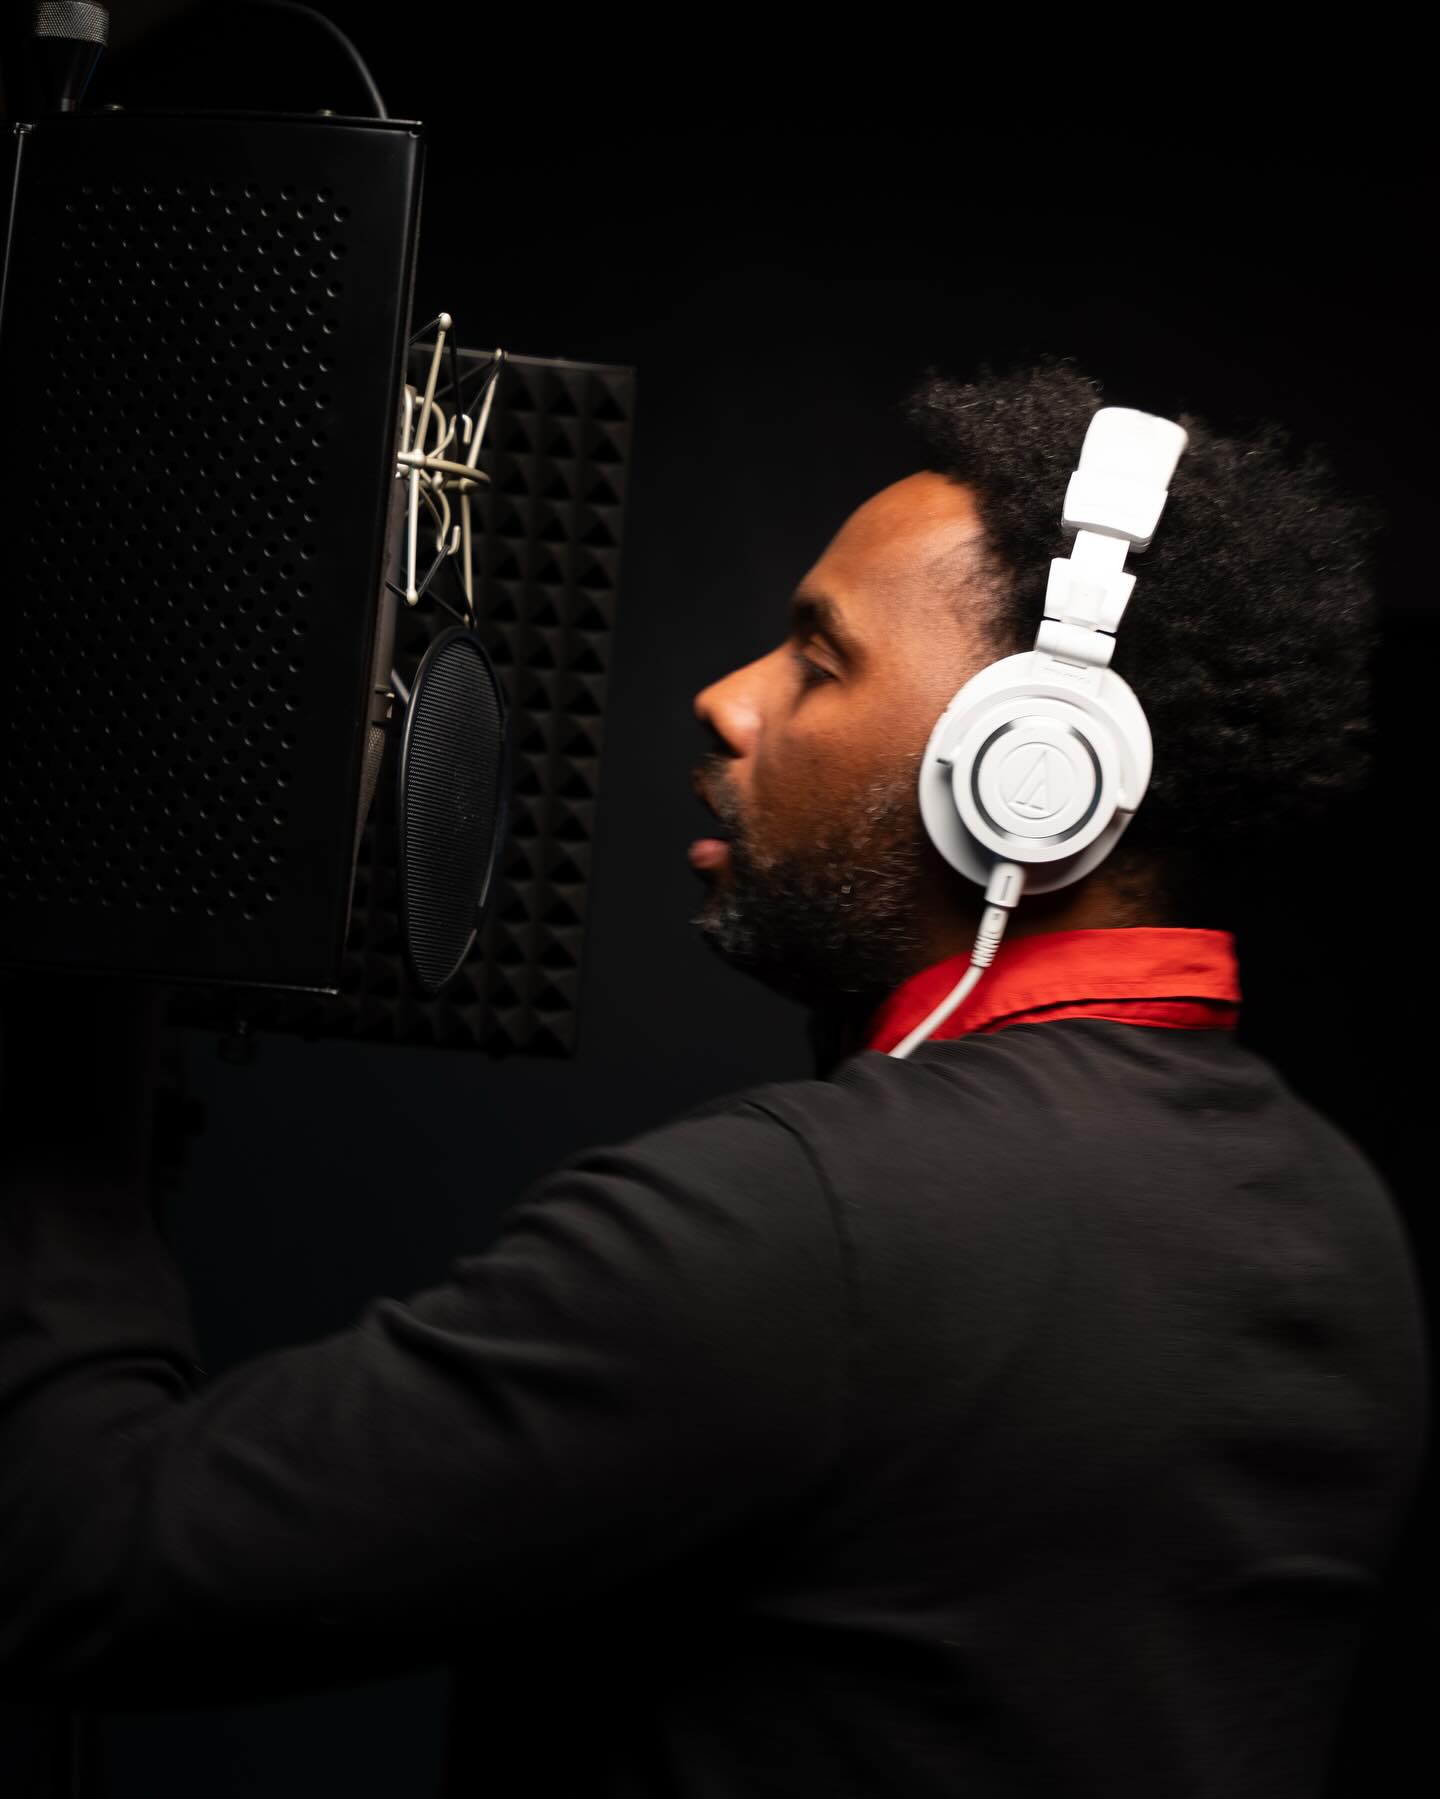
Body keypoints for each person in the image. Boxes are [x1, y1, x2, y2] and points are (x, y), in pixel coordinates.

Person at [0, 361, 1427, 1798]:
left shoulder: (802, 1229)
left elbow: (78, 1553)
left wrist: (83, 997)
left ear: (1032, 772)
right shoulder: (1338, 1219)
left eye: (818, 658)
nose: (728, 700)